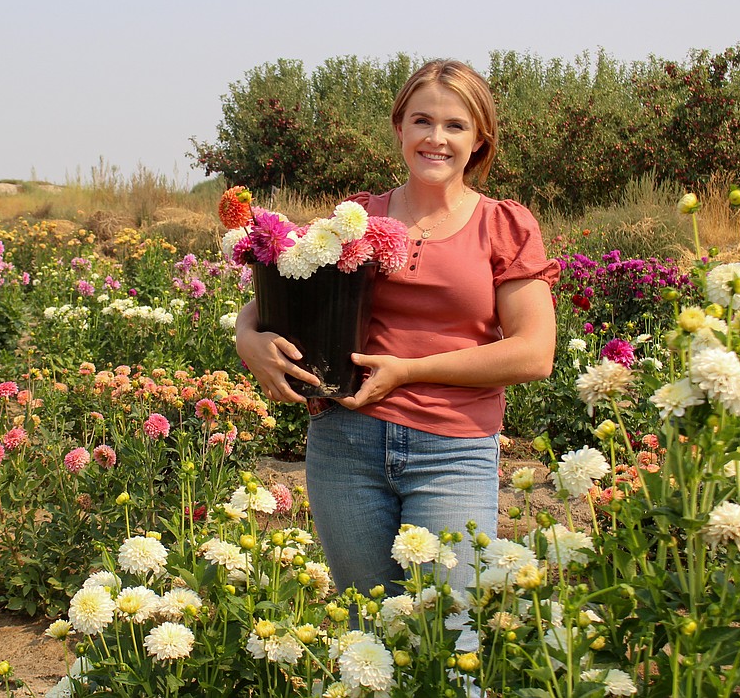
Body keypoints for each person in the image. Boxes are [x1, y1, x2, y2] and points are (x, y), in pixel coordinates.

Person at [234, 59, 559, 607]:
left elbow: (534, 353)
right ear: (400, 129)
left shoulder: (503, 225)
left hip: (452, 451)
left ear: (479, 140)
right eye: (422, 121)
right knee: (373, 631)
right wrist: (247, 337)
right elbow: (281, 293)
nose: (437, 138)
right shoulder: (356, 219)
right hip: (345, 445)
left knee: (449, 636)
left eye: (455, 125)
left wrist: (409, 372)